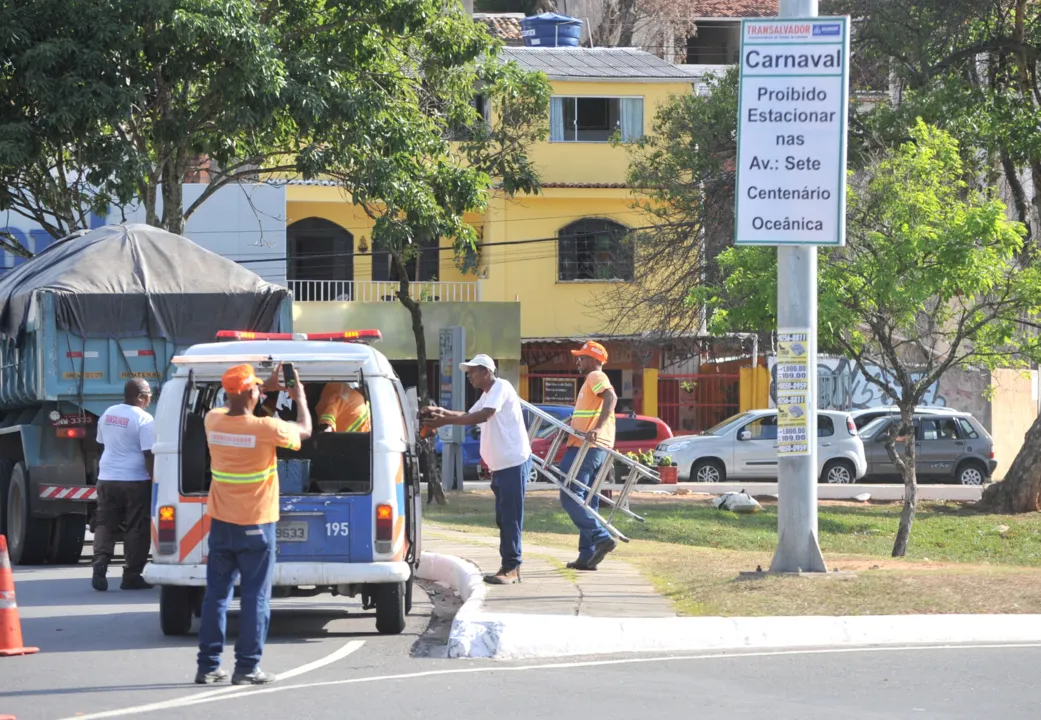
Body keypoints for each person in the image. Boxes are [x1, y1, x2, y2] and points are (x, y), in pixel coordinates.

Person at [195, 363, 312, 686]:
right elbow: (305, 429)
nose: (261, 391)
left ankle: (208, 666)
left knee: (216, 597)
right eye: (257, 389)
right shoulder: (266, 427)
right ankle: (246, 668)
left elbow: (233, 406)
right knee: (254, 598)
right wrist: (298, 396)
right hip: (258, 526)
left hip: (221, 525)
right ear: (249, 393)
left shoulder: (212, 420)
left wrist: (266, 387)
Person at [422, 354, 531, 585]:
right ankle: (510, 565)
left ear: (486, 371)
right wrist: (442, 412)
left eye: (472, 371)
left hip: (513, 463)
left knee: (510, 518)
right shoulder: (488, 395)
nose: (469, 376)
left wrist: (445, 421)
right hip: (501, 466)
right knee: (504, 519)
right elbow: (469, 415)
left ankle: (512, 568)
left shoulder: (501, 386)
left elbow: (483, 415)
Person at [92, 379, 156, 592]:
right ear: (139, 396)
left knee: (105, 522)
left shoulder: (108, 413)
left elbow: (102, 443)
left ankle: (100, 562)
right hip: (135, 480)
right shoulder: (144, 419)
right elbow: (148, 453)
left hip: (107, 477)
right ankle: (131, 575)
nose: (149, 399)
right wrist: (156, 479)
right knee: (136, 527)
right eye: (148, 395)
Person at [560, 341, 618, 571]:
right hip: (596, 448)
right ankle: (588, 555)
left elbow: (611, 398)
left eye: (582, 357)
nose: (578, 361)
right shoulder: (589, 382)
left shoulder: (595, 376)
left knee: (570, 494)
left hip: (587, 447)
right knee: (587, 501)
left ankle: (601, 537)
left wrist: (596, 427)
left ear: (595, 360)